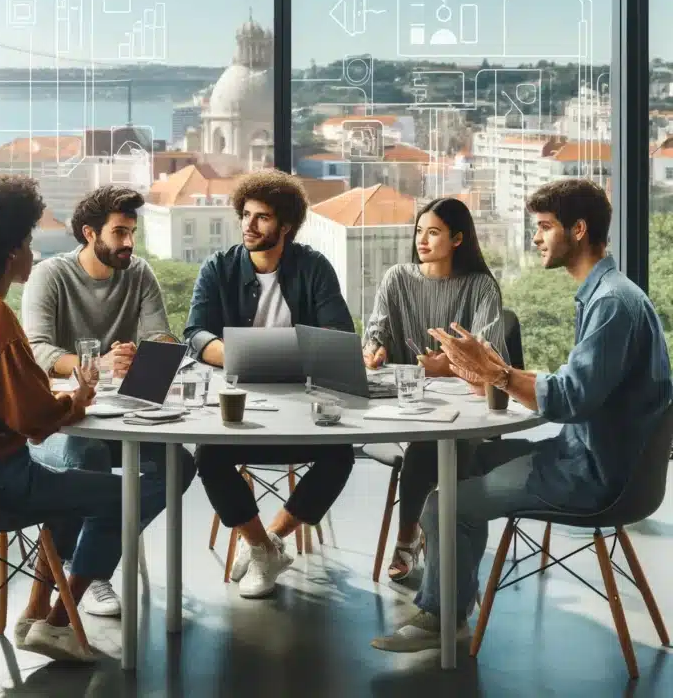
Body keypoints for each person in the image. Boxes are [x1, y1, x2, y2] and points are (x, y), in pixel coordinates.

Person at [372, 178, 672, 653]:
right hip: (588, 455)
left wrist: (499, 372)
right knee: (461, 467)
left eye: (544, 227)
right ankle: (451, 602)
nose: (535, 238)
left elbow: (570, 397)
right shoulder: (609, 293)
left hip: (594, 475)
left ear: (578, 229)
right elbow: (582, 382)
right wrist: (492, 372)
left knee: (444, 503)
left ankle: (441, 620)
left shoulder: (612, 304)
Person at [0, 175, 171, 661]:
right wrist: (78, 399)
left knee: (83, 485)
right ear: (9, 251)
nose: (32, 250)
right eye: (26, 241)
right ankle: (60, 622)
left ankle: (37, 613)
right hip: (2, 481)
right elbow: (34, 418)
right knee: (133, 493)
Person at [21, 185, 196, 617]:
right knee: (90, 452)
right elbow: (37, 349)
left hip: (121, 413)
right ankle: (90, 569)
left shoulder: (139, 273)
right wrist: (94, 364)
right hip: (60, 425)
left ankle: (87, 557)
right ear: (89, 233)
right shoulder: (51, 276)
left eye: (132, 232)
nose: (128, 243)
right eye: (119, 232)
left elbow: (160, 334)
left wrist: (149, 353)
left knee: (180, 465)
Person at [184, 169, 356, 598]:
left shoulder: (313, 267)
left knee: (341, 455)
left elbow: (336, 336)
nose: (249, 225)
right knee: (209, 458)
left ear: (286, 226)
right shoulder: (218, 268)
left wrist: (262, 350)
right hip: (241, 406)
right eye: (245, 214)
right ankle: (260, 546)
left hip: (301, 409)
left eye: (261, 217)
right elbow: (194, 335)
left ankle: (269, 540)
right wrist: (233, 352)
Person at [362, 197, 508, 582]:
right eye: (419, 231)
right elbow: (377, 331)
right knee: (427, 446)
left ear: (457, 238)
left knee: (432, 448)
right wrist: (374, 349)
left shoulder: (480, 286)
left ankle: (413, 538)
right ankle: (440, 554)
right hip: (412, 403)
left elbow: (488, 356)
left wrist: (451, 366)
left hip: (470, 408)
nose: (421, 240)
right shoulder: (398, 278)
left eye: (433, 233)